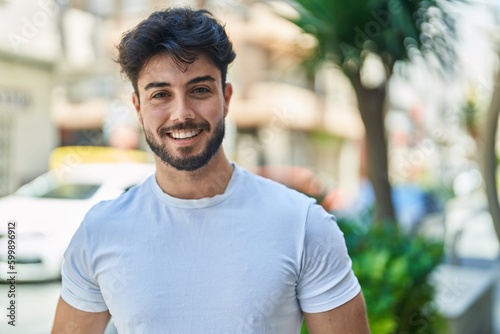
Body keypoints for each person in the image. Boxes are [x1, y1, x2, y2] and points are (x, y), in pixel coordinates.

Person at [51, 7, 369, 334]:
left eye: (200, 90)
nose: (181, 113)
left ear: (226, 98)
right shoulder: (100, 231)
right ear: (138, 108)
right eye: (160, 94)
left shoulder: (302, 225)